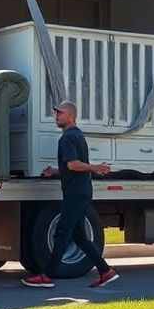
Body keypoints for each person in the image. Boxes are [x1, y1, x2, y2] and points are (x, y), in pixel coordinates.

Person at [21, 100, 119, 289]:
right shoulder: (77, 135)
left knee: (62, 233)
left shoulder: (67, 138)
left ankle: (47, 276)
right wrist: (56, 171)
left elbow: (73, 164)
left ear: (71, 116)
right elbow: (71, 167)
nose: (56, 116)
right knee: (80, 237)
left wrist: (94, 168)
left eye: (60, 113)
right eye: (56, 113)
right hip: (80, 192)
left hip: (75, 194)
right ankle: (106, 272)